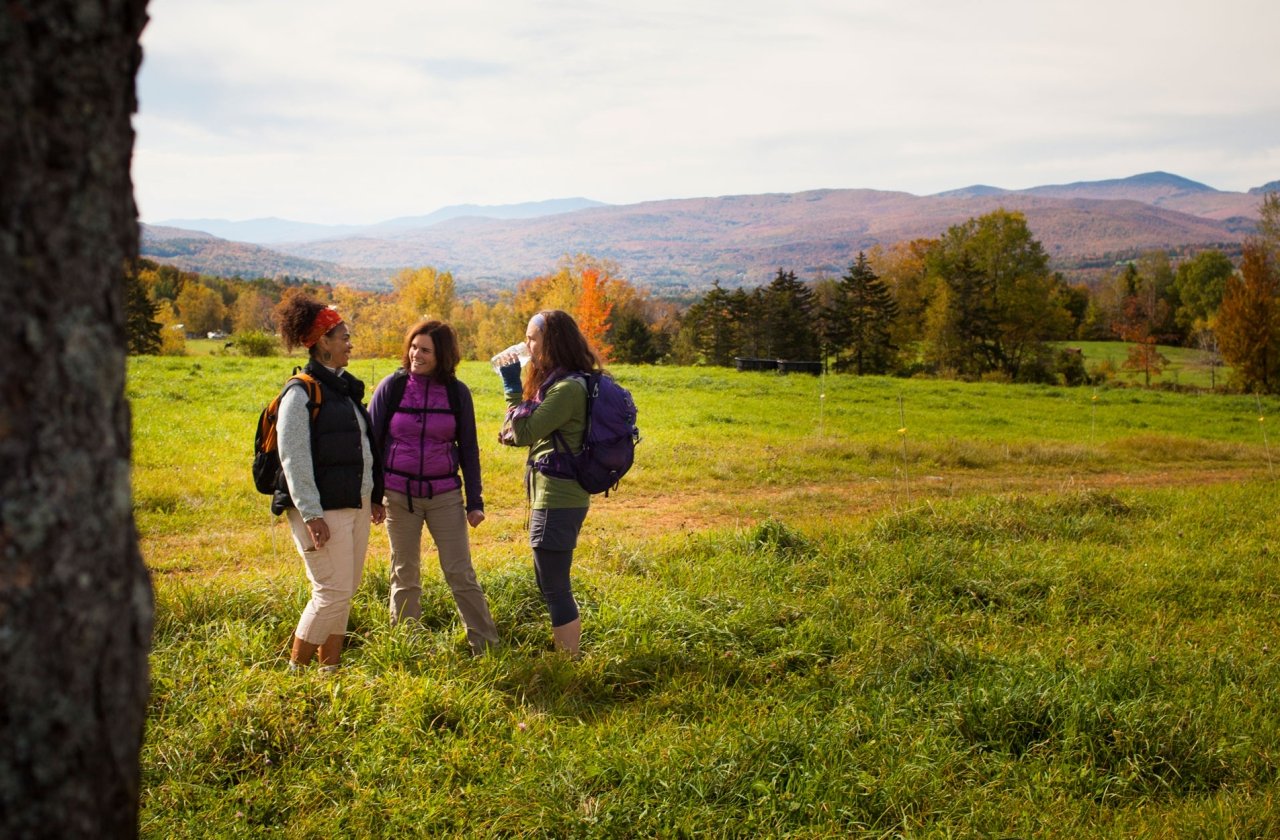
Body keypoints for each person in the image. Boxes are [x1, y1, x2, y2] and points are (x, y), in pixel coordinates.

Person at [369, 319, 499, 655]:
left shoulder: (457, 393)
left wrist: (475, 501)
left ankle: (485, 646)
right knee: (404, 573)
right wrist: (373, 496)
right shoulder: (392, 387)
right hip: (399, 496)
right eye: (413, 346)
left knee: (460, 573)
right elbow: (371, 443)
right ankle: (406, 646)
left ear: (442, 355)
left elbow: (469, 448)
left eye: (424, 349)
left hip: (444, 496)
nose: (416, 354)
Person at [272, 295, 385, 672]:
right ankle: (295, 673)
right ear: (323, 341)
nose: (350, 343)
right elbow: (293, 458)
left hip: (356, 504)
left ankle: (328, 671)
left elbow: (363, 448)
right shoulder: (300, 392)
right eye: (344, 336)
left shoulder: (342, 391)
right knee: (331, 593)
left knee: (344, 593)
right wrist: (310, 513)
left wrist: (375, 496)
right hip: (323, 511)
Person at [496, 310, 599, 656]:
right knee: (548, 581)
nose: (526, 345)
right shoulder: (558, 383)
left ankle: (568, 661)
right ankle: (567, 653)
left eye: (532, 338)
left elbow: (524, 431)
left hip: (558, 497)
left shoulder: (568, 389)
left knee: (554, 585)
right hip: (554, 495)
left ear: (550, 342)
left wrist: (511, 387)